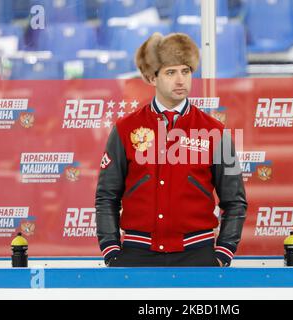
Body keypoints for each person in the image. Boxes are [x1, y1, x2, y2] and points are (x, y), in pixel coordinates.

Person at [95, 32, 247, 267]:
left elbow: (235, 201)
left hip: (198, 255)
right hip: (137, 255)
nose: (180, 80)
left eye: (185, 71)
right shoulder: (126, 129)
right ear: (152, 77)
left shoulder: (215, 131)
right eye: (170, 72)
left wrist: (223, 253)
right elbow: (107, 196)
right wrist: (111, 250)